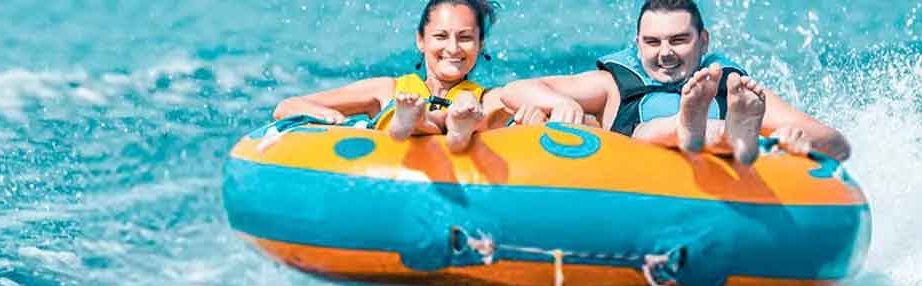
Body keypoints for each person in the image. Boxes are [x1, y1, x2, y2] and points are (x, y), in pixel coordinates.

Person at [500, 0, 851, 164]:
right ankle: (706, 130)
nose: (665, 53)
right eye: (653, 43)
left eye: (679, 40)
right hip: (636, 181)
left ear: (705, 41)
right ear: (637, 44)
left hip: (720, 197)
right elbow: (512, 91)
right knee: (647, 134)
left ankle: (729, 136)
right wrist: (563, 103)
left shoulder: (732, 89)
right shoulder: (612, 86)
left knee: (729, 125)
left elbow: (837, 144)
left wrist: (792, 140)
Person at [272, 0, 501, 153]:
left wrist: (533, 113)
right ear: (421, 40)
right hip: (389, 165)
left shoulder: (488, 100)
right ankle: (410, 120)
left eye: (465, 38)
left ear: (480, 44)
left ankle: (437, 123)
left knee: (467, 106)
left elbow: (531, 103)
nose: (453, 48)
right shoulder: (386, 90)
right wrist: (328, 116)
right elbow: (287, 106)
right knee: (406, 108)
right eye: (440, 36)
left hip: (459, 123)